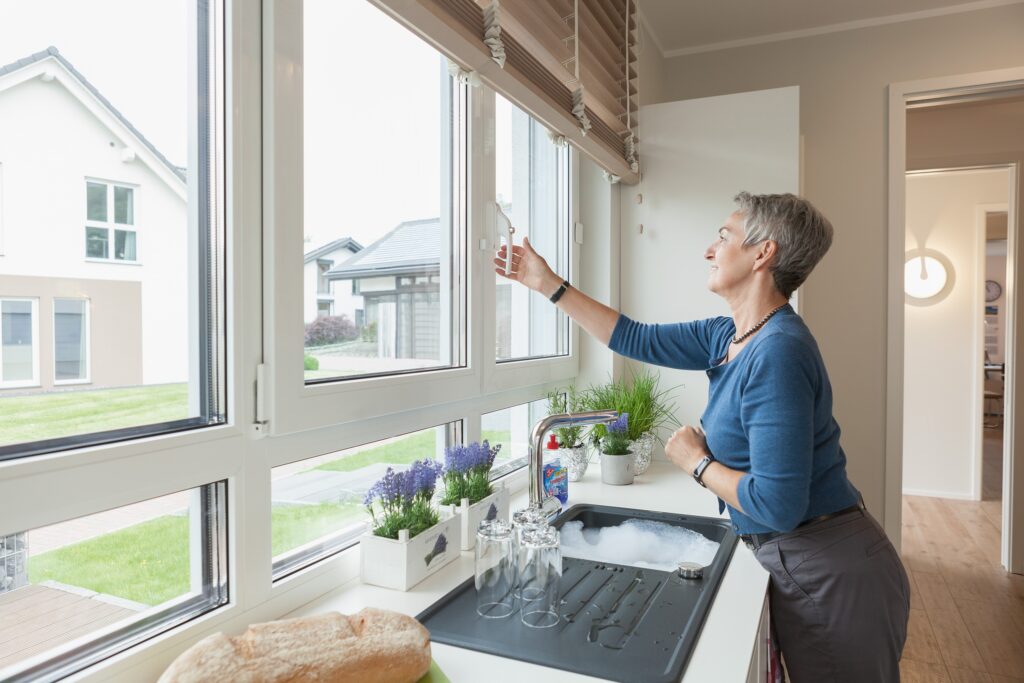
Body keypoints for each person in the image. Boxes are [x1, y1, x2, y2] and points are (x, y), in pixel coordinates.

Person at [494, 192, 910, 682]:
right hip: (804, 557)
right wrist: (547, 285)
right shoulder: (730, 335)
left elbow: (777, 504)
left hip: (829, 572)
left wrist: (697, 463)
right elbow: (634, 338)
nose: (709, 250)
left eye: (723, 237)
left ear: (763, 254)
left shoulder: (778, 352)